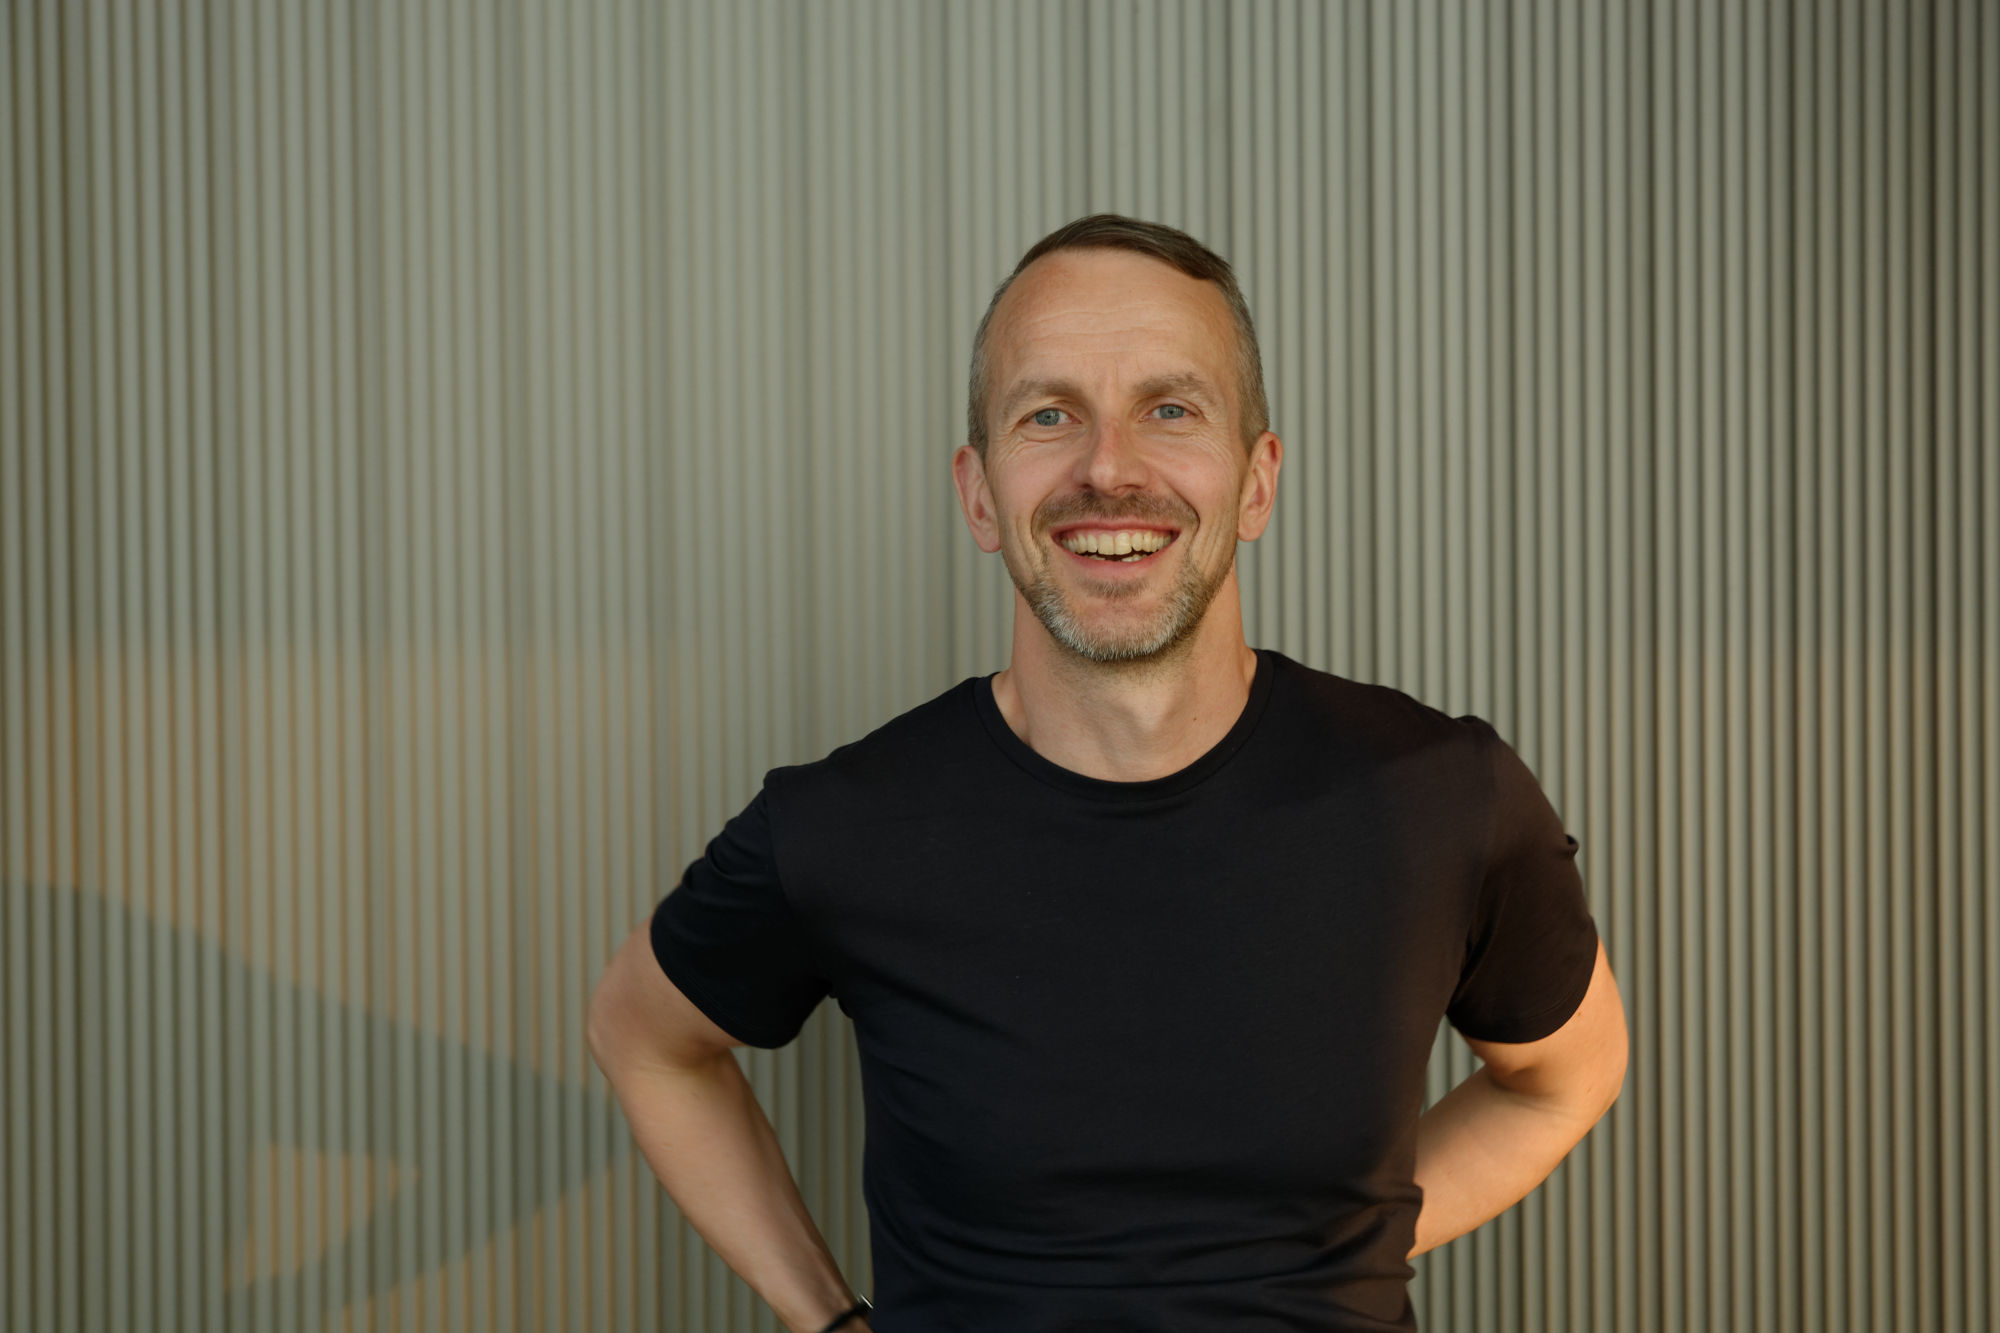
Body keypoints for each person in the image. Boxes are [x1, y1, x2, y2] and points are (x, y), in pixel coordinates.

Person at [587, 214, 1628, 1333]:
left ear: (1257, 481)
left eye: (1170, 409)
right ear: (979, 493)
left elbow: (1564, 1076)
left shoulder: (1436, 796)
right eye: (1048, 414)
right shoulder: (846, 823)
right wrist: (827, 1317)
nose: (1108, 467)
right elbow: (643, 1036)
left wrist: (1343, 1247)